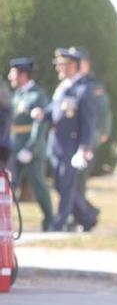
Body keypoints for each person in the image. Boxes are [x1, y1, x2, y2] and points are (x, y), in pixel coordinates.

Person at [41, 47, 98, 232]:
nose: (59, 69)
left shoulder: (83, 89)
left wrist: (84, 147)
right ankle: (87, 217)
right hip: (56, 144)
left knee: (66, 185)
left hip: (71, 145)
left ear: (73, 66)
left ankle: (59, 223)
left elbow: (89, 122)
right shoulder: (63, 87)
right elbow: (55, 111)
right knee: (60, 184)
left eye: (62, 65)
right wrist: (44, 114)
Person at [7, 58, 53, 230]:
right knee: (9, 186)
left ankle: (50, 219)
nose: (11, 77)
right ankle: (5, 223)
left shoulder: (37, 95)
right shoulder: (16, 95)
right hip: (14, 148)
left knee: (38, 185)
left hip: (31, 150)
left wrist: (30, 148)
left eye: (14, 73)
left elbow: (40, 124)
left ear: (23, 75)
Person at [75, 48, 112, 218]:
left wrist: (102, 133)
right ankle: (84, 212)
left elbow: (104, 111)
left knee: (79, 181)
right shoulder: (71, 84)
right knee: (70, 182)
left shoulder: (93, 85)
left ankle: (85, 214)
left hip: (87, 139)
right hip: (72, 139)